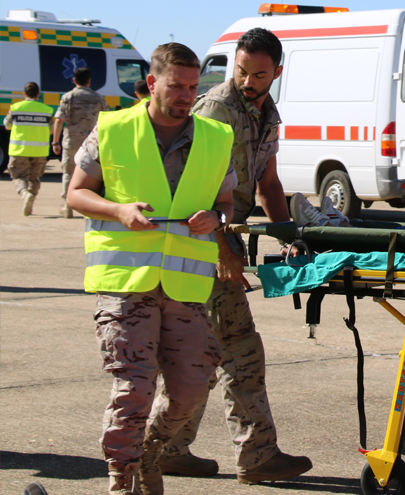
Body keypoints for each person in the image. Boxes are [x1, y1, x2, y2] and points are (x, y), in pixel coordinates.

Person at [67, 43, 236, 494]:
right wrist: (118, 210)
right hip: (125, 286)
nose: (185, 96)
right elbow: (76, 194)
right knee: (133, 392)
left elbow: (226, 202)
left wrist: (216, 219)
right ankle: (123, 482)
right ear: (151, 83)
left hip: (185, 288)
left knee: (190, 392)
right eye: (176, 86)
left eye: (192, 88)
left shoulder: (216, 137)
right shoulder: (113, 128)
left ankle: (151, 455)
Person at [162, 27, 312, 484]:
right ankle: (256, 455)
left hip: (225, 240)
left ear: (277, 73)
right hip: (201, 245)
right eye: (242, 72)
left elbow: (268, 184)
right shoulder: (215, 110)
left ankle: (166, 447)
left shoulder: (267, 114)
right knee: (239, 349)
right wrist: (225, 250)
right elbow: (196, 193)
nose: (248, 81)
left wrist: (288, 235)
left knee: (205, 354)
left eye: (259, 74)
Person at [52, 66, 110, 218]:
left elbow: (59, 120)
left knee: (67, 173)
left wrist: (55, 142)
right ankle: (86, 209)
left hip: (71, 141)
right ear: (89, 81)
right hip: (91, 144)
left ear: (74, 80)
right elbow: (107, 119)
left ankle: (67, 206)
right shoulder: (98, 98)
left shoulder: (68, 97)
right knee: (92, 176)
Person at [5, 82, 53, 215]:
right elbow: (51, 130)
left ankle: (25, 194)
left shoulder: (15, 108)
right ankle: (30, 198)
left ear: (24, 94)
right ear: (38, 95)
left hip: (19, 150)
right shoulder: (47, 110)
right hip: (40, 151)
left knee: (18, 176)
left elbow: (7, 125)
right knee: (34, 178)